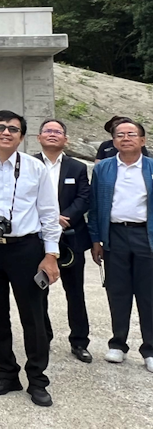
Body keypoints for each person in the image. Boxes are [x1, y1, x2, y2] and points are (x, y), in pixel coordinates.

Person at [0, 110, 61, 407]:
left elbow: (49, 213)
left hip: (26, 248)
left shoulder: (35, 168)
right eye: (1, 127)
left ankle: (38, 379)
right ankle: (6, 373)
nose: (6, 132)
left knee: (33, 316)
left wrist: (50, 254)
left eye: (13, 129)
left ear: (22, 136)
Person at [88, 118, 153, 373]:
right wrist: (96, 239)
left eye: (131, 134)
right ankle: (118, 343)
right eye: (120, 135)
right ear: (113, 141)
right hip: (114, 234)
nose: (125, 138)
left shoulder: (150, 167)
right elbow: (94, 206)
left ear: (142, 140)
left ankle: (149, 348)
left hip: (145, 236)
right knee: (118, 291)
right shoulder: (103, 167)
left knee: (148, 294)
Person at [35, 119, 93, 363]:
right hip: (36, 238)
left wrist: (62, 218)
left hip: (70, 237)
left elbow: (84, 197)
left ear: (65, 139)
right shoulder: (28, 163)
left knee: (75, 292)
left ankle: (79, 342)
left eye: (57, 131)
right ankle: (42, 338)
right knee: (38, 291)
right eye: (47, 130)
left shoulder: (77, 167)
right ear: (39, 137)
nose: (52, 134)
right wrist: (48, 218)